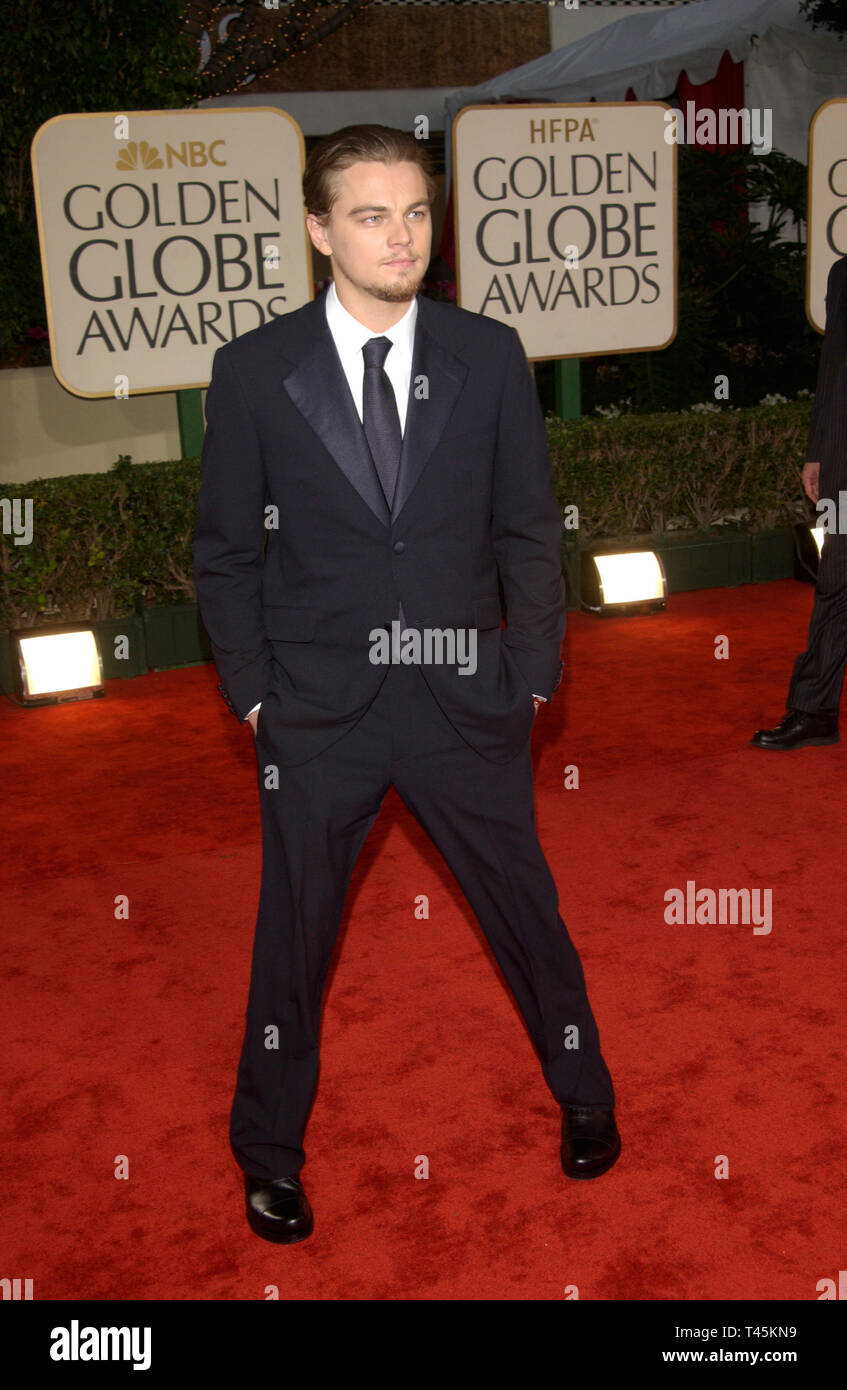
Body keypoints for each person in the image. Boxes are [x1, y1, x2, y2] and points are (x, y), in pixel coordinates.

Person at [193, 124, 619, 1245]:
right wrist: (253, 699)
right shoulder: (253, 372)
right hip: (318, 714)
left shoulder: (486, 354)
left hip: (460, 701)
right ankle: (269, 1151)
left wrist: (531, 674)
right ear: (319, 229)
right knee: (292, 936)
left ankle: (586, 1096)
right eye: (372, 215)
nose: (402, 236)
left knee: (526, 909)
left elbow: (528, 530)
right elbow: (227, 553)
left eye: (417, 212)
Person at [753, 254, 847, 750]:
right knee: (837, 584)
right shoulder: (843, 272)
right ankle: (815, 712)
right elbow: (834, 369)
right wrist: (818, 453)